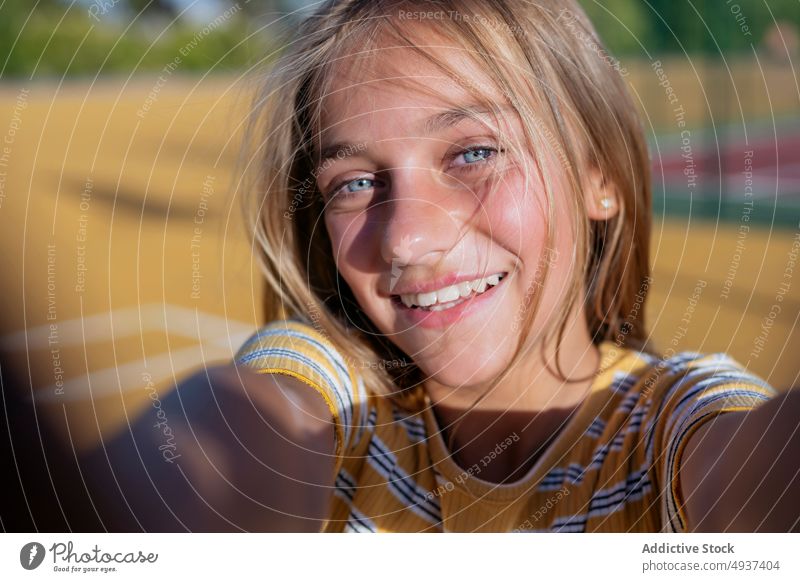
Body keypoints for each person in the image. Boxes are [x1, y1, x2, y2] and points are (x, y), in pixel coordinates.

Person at [97, 0, 798, 532]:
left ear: (600, 175)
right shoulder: (339, 398)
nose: (405, 238)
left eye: (473, 153)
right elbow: (235, 428)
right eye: (354, 183)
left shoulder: (669, 430)